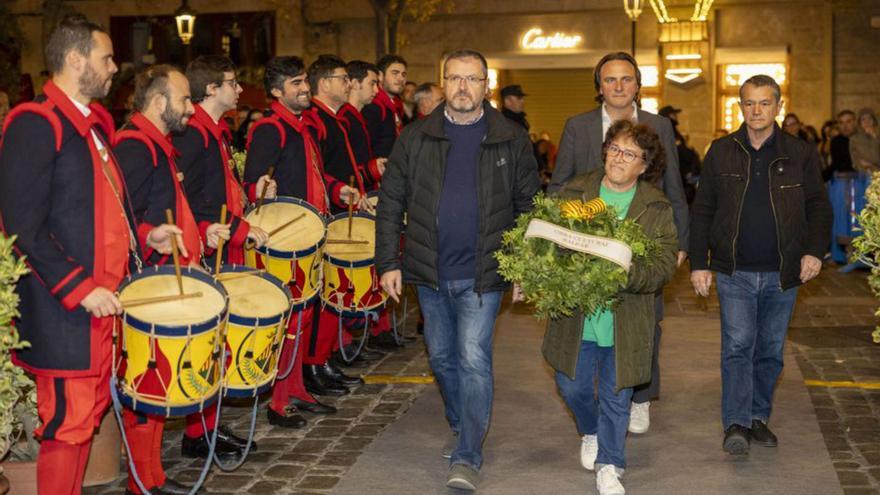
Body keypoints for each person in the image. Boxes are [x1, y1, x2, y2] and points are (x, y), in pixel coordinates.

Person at [0, 16, 173, 494]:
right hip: (65, 309)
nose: (115, 67)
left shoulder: (89, 127)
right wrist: (79, 288)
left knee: (87, 416)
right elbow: (22, 226)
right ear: (75, 60)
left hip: (100, 306)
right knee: (68, 426)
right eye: (106, 58)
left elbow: (103, 211)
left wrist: (146, 234)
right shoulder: (36, 123)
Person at [376, 49, 539, 491]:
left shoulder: (510, 137)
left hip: (483, 274)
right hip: (429, 271)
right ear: (443, 83)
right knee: (443, 357)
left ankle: (468, 452)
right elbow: (391, 203)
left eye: (473, 79)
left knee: (472, 358)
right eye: (455, 78)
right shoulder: (414, 137)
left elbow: (529, 207)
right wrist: (388, 261)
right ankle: (461, 418)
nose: (463, 87)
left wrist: (526, 267)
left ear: (487, 85)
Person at [689, 74, 832, 455]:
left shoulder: (799, 153)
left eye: (764, 103)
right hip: (733, 270)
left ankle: (757, 418)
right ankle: (735, 422)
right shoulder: (720, 151)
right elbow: (702, 210)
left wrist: (815, 251)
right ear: (740, 107)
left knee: (769, 350)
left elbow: (818, 206)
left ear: (778, 107)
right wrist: (699, 262)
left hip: (783, 273)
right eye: (749, 103)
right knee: (737, 346)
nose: (756, 110)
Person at [548, 52, 689, 434]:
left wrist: (681, 243)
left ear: (638, 85)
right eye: (610, 80)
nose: (618, 86)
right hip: (587, 239)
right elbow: (560, 182)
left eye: (626, 79)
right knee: (588, 322)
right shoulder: (578, 127)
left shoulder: (659, 124)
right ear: (599, 88)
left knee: (646, 321)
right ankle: (600, 407)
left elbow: (673, 184)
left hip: (645, 234)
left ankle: (640, 395)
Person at [545, 120, 678, 495]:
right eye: (615, 149)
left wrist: (629, 273)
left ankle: (611, 464)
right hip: (577, 316)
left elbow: (665, 264)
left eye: (630, 154)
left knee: (617, 395)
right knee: (571, 387)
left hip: (628, 316)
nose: (619, 158)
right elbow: (549, 240)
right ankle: (590, 430)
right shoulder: (576, 192)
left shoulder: (655, 205)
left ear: (644, 164)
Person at [172, 55, 273, 451]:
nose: (239, 90)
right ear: (211, 89)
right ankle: (198, 433)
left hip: (223, 241)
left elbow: (219, 188)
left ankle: (204, 429)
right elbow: (192, 199)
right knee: (210, 340)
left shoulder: (215, 130)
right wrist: (239, 229)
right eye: (231, 82)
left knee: (220, 338)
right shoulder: (194, 134)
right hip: (209, 245)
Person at [244, 56, 357, 405]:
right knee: (289, 319)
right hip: (284, 239)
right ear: (277, 92)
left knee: (305, 315)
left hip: (312, 233)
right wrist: (260, 189)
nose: (305, 87)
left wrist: (338, 189)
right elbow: (251, 184)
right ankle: (279, 401)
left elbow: (317, 176)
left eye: (305, 80)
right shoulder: (269, 129)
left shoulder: (305, 126)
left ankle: (296, 389)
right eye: (296, 83)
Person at [362, 54, 407, 158]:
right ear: (380, 76)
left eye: (404, 74)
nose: (401, 78)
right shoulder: (373, 106)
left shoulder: (397, 105)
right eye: (395, 73)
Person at [850, 108, 880, 172]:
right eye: (863, 119)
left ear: (874, 121)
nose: (867, 122)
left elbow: (876, 158)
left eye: (869, 118)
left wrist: (875, 138)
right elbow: (855, 161)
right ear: (859, 122)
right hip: (863, 174)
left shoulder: (878, 137)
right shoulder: (854, 139)